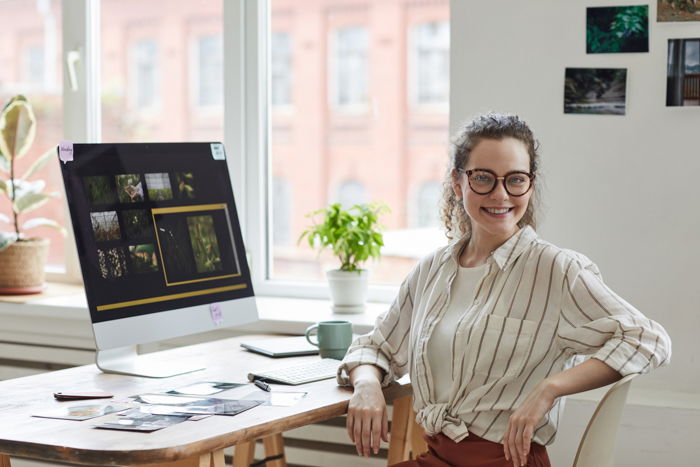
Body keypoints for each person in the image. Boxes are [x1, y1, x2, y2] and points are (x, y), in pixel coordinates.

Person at [337, 113, 671, 467]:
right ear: (457, 182)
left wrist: (549, 388)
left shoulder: (556, 269)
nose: (500, 194)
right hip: (437, 458)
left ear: (530, 183)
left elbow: (647, 339)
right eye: (483, 178)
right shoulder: (431, 271)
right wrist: (368, 385)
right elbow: (375, 347)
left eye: (516, 179)